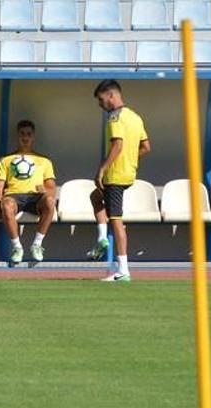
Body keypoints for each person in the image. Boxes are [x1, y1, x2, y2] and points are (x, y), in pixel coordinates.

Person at [87, 80, 151, 282]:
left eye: (101, 99)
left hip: (115, 175)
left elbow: (117, 145)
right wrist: (131, 159)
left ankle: (123, 270)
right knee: (96, 197)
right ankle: (102, 239)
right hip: (128, 173)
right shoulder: (135, 117)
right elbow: (146, 147)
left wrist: (102, 169)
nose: (100, 104)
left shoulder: (115, 117)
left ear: (111, 95)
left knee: (116, 220)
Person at [0, 120, 57, 266]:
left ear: (33, 136)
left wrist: (45, 191)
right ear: (17, 136)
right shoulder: (6, 160)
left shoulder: (44, 160)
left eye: (28, 134)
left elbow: (52, 187)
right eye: (22, 134)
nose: (25, 137)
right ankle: (17, 247)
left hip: (35, 197)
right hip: (14, 196)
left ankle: (37, 244)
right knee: (7, 205)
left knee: (50, 201)